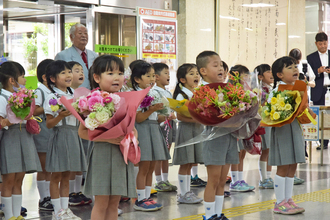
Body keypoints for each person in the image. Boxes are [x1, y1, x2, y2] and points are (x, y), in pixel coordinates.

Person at [79, 55, 136, 220]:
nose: (117, 77)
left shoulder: (126, 100)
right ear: (97, 77)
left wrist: (133, 138)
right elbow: (82, 132)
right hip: (101, 154)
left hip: (120, 155)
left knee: (114, 203)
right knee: (102, 202)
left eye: (119, 73)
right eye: (110, 73)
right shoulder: (92, 101)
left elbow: (132, 128)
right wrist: (107, 139)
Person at [44, 60, 87, 220]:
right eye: (63, 73)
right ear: (53, 78)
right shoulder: (52, 96)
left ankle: (65, 209)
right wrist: (60, 116)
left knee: (68, 174)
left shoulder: (75, 94)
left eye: (69, 71)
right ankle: (57, 211)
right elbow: (49, 124)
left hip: (74, 135)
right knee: (57, 175)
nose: (68, 75)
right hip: (60, 135)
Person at [0, 61, 42, 220]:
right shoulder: (3, 98)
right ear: (12, 80)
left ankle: (17, 215)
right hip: (10, 138)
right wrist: (15, 117)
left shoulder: (24, 96)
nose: (24, 80)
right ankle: (9, 215)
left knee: (19, 179)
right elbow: (1, 122)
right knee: (9, 180)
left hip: (25, 137)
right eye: (22, 77)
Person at [197, 51, 235, 220]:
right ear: (203, 71)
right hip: (213, 138)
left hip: (230, 137)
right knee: (213, 179)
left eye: (221, 65)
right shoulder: (202, 91)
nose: (220, 68)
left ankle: (219, 213)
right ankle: (209, 215)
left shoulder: (228, 89)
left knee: (222, 180)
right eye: (215, 65)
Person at [131, 61, 170, 211]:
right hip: (143, 131)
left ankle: (147, 197)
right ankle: (140, 199)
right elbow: (139, 118)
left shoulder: (154, 93)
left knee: (151, 166)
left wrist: (165, 116)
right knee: (144, 167)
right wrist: (152, 109)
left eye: (153, 75)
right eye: (148, 76)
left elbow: (156, 118)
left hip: (154, 130)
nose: (152, 79)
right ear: (137, 79)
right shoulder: (136, 94)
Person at [269, 56, 305, 215]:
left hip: (295, 128)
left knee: (293, 165)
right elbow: (270, 112)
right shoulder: (276, 91)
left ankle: (289, 199)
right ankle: (279, 202)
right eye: (289, 68)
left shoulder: (299, 88)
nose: (295, 69)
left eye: (295, 66)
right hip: (282, 130)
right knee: (283, 166)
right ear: (280, 75)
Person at [172, 63, 204, 204]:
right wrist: (196, 118)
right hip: (186, 129)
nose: (196, 75)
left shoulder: (198, 93)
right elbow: (179, 116)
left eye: (197, 73)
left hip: (196, 129)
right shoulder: (181, 95)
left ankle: (187, 192)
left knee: (191, 162)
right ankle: (183, 193)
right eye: (191, 73)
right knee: (185, 163)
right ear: (182, 79)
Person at [229, 65, 255, 193]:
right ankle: (234, 181)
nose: (247, 78)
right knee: (236, 154)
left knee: (242, 152)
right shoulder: (231, 90)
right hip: (234, 127)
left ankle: (240, 179)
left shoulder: (246, 89)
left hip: (244, 126)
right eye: (245, 75)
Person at [33, 59, 55, 211]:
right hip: (42, 132)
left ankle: (50, 196)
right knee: (43, 167)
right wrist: (52, 107)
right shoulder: (39, 91)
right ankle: (43, 198)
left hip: (52, 132)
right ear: (45, 77)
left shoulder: (54, 91)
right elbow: (34, 111)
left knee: (51, 167)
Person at [153, 62, 177, 192]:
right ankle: (158, 181)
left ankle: (165, 180)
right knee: (159, 154)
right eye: (166, 73)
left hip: (169, 123)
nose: (169, 76)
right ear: (156, 77)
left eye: (169, 73)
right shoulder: (155, 91)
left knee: (166, 153)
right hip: (162, 124)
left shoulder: (167, 91)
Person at [55, 23, 98, 89]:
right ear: (71, 37)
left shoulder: (95, 55)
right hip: (73, 94)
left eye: (86, 33)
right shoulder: (62, 56)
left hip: (93, 94)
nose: (83, 36)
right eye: (80, 33)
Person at [307, 32, 330, 150]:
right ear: (316, 44)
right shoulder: (310, 58)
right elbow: (309, 76)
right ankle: (323, 142)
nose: (323, 46)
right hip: (318, 91)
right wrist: (318, 71)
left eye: (325, 43)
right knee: (321, 116)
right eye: (320, 44)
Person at [255, 64, 274, 189]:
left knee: (269, 150)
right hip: (264, 122)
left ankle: (268, 176)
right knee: (265, 150)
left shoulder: (271, 88)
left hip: (271, 122)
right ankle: (263, 178)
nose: (271, 73)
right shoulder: (260, 90)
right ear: (260, 77)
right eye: (268, 71)